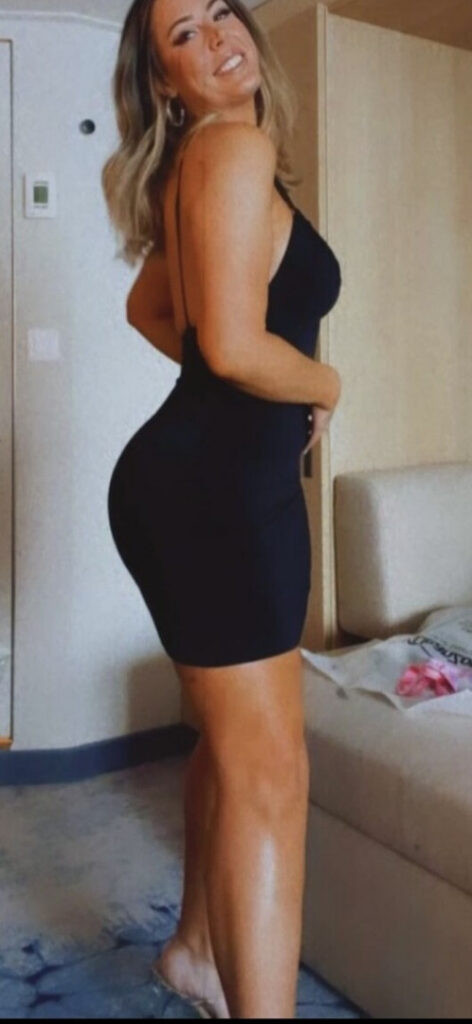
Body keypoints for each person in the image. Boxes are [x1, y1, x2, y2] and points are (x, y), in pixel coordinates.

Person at [102, 0, 342, 1017]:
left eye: (218, 12)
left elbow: (153, 311)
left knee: (237, 750)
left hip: (203, 485)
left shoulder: (201, 165)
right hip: (217, 500)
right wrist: (325, 387)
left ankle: (196, 951)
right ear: (165, 82)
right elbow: (236, 348)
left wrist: (232, 379)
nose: (216, 37)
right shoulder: (233, 149)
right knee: (272, 776)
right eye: (183, 37)